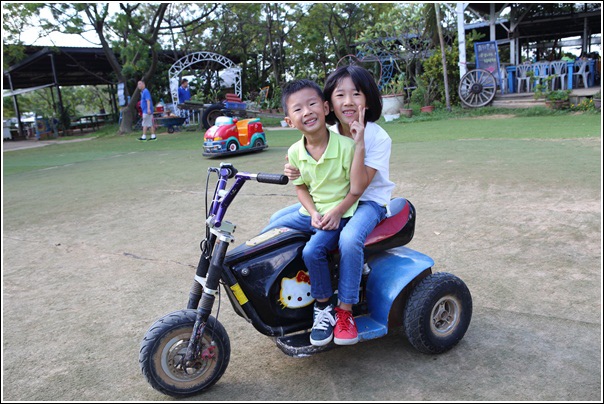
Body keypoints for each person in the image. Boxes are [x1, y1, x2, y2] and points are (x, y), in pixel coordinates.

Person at [270, 65, 395, 345]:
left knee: (349, 239)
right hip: (330, 202)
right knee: (277, 221)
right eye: (340, 95)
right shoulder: (325, 130)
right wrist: (294, 169)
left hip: (367, 201)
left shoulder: (377, 137)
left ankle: (344, 310)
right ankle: (303, 285)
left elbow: (359, 187)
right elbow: (307, 165)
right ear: (329, 103)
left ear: (368, 99)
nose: (348, 102)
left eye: (356, 94)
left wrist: (336, 211)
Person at [261, 78, 364, 347]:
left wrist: (334, 213)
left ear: (326, 108)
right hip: (311, 212)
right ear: (289, 121)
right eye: (298, 109)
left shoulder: (346, 147)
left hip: (341, 214)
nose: (306, 112)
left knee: (312, 250)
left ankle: (323, 305)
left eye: (312, 104)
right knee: (270, 232)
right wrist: (313, 212)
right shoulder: (295, 152)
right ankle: (289, 290)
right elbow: (301, 188)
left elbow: (356, 189)